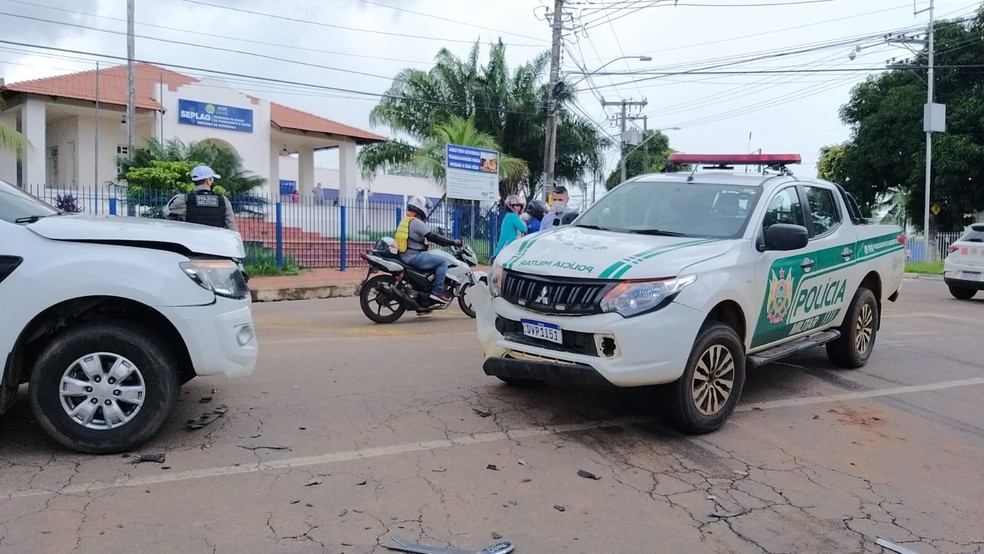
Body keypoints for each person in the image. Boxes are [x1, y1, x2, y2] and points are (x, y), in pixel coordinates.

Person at [395, 195, 462, 304]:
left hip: (406, 255)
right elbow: (433, 237)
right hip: (413, 256)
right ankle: (437, 292)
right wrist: (452, 242)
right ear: (421, 207)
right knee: (442, 262)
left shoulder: (406, 220)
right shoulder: (416, 222)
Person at [164, 165, 238, 232]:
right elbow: (231, 227)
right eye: (212, 179)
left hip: (192, 243)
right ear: (208, 181)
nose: (213, 181)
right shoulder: (223, 201)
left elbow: (167, 216)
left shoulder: (183, 200)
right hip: (216, 243)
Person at [494, 194, 528, 260]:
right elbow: (524, 229)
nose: (519, 208)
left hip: (507, 244)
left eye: (520, 206)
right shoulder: (512, 216)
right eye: (516, 205)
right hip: (508, 244)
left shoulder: (508, 216)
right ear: (510, 206)